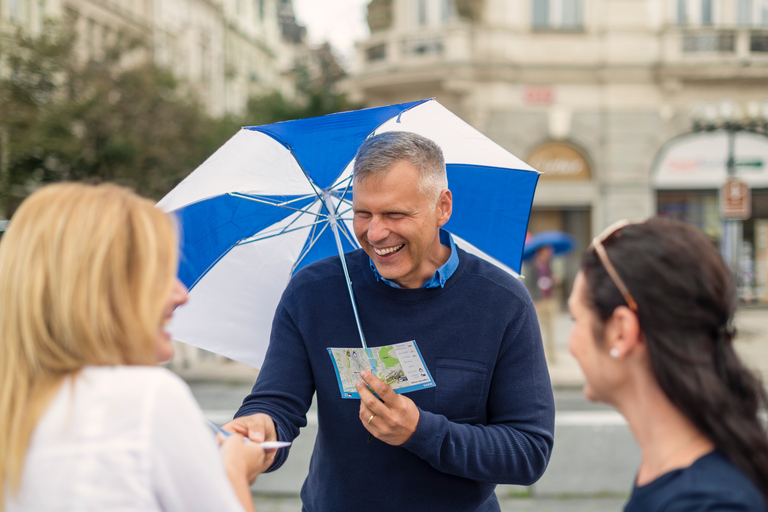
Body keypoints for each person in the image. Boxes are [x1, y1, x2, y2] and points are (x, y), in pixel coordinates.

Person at [225, 131, 555, 511]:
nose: (375, 232)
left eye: (395, 214)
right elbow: (277, 403)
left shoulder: (503, 302)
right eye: (363, 213)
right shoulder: (313, 293)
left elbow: (528, 451)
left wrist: (420, 431)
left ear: (442, 207)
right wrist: (258, 427)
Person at [0, 183, 275, 512]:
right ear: (98, 290)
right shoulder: (143, 398)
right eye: (158, 274)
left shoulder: (17, 404)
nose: (181, 295)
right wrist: (233, 470)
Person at [567, 217, 768, 510]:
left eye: (576, 319)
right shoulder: (674, 472)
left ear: (621, 331)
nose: (571, 343)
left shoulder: (710, 502)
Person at [527, 244, 558, 362]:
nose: (549, 253)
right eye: (547, 250)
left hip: (549, 299)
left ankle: (552, 355)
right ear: (541, 251)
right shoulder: (532, 265)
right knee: (538, 329)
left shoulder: (549, 264)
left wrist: (553, 279)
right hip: (538, 301)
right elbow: (529, 283)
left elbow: (550, 279)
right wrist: (533, 301)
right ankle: (539, 356)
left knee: (551, 328)